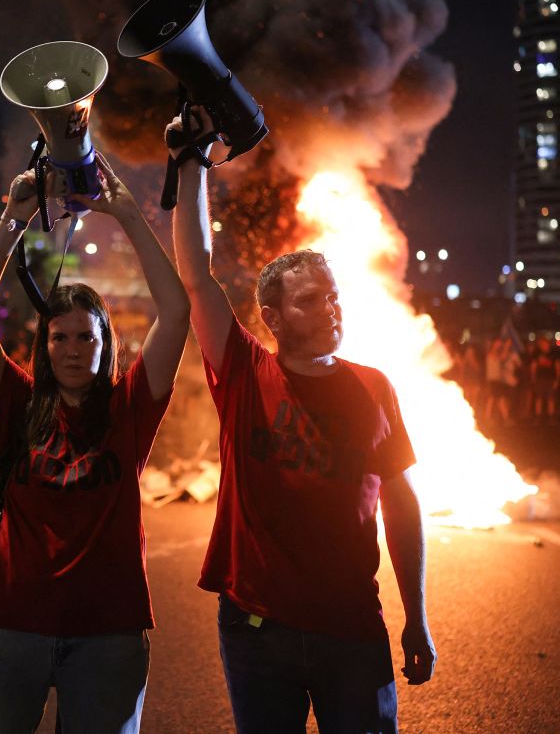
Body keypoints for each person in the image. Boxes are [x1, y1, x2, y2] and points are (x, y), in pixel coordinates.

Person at [169, 109, 435, 733]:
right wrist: (189, 164)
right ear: (273, 316)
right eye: (309, 300)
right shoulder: (242, 370)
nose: (330, 307)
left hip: (351, 624)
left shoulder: (374, 388)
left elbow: (401, 502)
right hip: (258, 628)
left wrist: (416, 612)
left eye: (333, 294)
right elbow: (195, 275)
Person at [0, 159, 189, 733]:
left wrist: (128, 213)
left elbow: (176, 311)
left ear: (108, 345)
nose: (74, 348)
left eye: (88, 336)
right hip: (6, 625)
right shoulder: (18, 401)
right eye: (60, 336)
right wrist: (15, 216)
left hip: (107, 635)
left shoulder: (130, 409)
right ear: (44, 345)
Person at [528, 337, 560, 424]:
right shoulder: (537, 354)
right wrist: (533, 378)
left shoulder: (553, 354)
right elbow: (533, 366)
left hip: (550, 379)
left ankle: (551, 417)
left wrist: (557, 380)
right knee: (538, 398)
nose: (544, 346)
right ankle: (538, 417)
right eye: (542, 344)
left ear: (548, 344)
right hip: (540, 379)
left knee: (551, 399)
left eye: (545, 344)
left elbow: (558, 367)